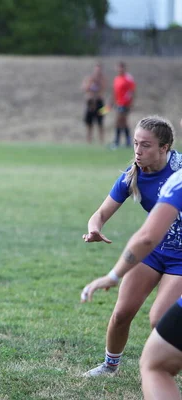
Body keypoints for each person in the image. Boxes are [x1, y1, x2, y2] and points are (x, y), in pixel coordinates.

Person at [80, 115, 182, 377]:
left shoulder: (180, 171)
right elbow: (100, 213)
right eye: (136, 143)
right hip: (153, 252)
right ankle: (109, 366)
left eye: (146, 145)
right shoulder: (131, 177)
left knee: (159, 318)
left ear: (164, 147)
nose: (138, 150)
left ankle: (160, 370)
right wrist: (94, 228)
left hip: (180, 259)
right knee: (122, 313)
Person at [110, 61, 136, 149]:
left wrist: (130, 103)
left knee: (119, 121)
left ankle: (117, 142)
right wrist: (111, 102)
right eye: (118, 68)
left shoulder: (128, 78)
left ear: (124, 68)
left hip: (125, 103)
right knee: (123, 122)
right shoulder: (117, 79)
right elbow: (115, 92)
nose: (120, 69)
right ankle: (128, 141)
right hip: (118, 103)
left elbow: (132, 91)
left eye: (121, 67)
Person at [81, 63, 107, 144]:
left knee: (101, 123)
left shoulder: (103, 79)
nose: (98, 72)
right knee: (89, 123)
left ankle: (101, 141)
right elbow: (84, 88)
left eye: (99, 70)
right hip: (90, 103)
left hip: (100, 103)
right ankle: (89, 141)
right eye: (96, 70)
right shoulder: (89, 79)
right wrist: (90, 84)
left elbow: (103, 90)